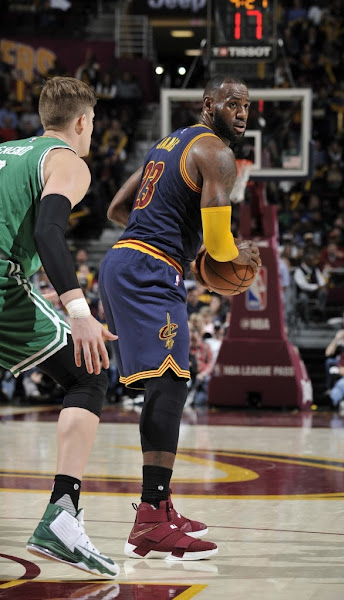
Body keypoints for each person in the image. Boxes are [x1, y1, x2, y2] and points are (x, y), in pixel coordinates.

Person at [99, 75, 261, 560]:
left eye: (247, 107)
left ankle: (162, 505)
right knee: (170, 387)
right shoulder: (217, 154)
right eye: (232, 103)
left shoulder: (167, 144)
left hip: (126, 259)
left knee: (167, 386)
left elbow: (116, 208)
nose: (241, 113)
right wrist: (242, 254)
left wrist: (166, 233)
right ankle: (150, 518)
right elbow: (219, 247)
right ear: (208, 104)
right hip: (149, 267)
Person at [0, 76, 119, 578]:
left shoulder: (7, 151)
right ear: (82, 122)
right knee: (88, 372)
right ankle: (62, 516)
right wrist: (79, 311)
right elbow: (49, 231)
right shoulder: (67, 160)